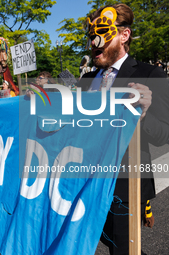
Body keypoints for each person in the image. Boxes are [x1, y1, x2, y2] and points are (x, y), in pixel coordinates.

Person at [78, 3, 169, 254]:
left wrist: (145, 115)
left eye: (102, 35)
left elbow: (165, 134)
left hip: (126, 188)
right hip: (86, 184)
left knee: (124, 250)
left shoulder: (150, 74)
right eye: (91, 37)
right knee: (106, 241)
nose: (94, 43)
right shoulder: (86, 81)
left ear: (124, 35)